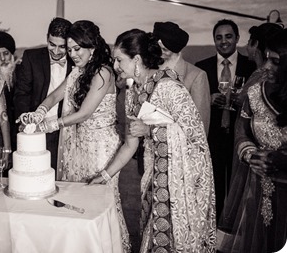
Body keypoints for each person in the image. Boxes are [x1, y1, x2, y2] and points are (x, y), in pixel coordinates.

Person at [90, 29, 216, 252]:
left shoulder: (169, 87)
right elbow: (130, 144)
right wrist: (104, 176)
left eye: (119, 60)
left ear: (136, 60)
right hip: (153, 177)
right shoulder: (132, 93)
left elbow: (195, 137)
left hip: (180, 181)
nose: (116, 66)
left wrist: (151, 130)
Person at [18, 20, 131, 252]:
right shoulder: (76, 72)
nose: (72, 54)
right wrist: (38, 113)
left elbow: (84, 113)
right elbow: (53, 97)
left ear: (92, 47)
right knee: (77, 203)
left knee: (99, 202)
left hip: (100, 149)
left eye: (76, 49)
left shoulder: (104, 73)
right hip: (76, 147)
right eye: (69, 50)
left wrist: (49, 124)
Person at [217, 29, 287, 253]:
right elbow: (241, 131)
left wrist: (281, 160)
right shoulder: (256, 92)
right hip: (257, 188)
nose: (266, 67)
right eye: (266, 58)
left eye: (275, 62)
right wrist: (251, 154)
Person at [195, 19, 256, 219]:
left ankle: (235, 230)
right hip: (213, 136)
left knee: (240, 189)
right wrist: (208, 98)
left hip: (242, 137)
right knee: (214, 187)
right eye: (218, 37)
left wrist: (244, 101)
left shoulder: (251, 66)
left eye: (228, 36)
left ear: (237, 38)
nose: (224, 42)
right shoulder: (201, 68)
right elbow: (194, 105)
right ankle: (215, 230)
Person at [14, 17, 73, 174]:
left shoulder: (77, 61)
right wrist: (25, 119)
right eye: (52, 44)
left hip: (68, 129)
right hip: (37, 130)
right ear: (47, 37)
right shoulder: (31, 57)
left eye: (62, 47)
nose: (55, 51)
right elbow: (22, 94)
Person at [153, 21, 210, 134]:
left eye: (163, 48)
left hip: (180, 148)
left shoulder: (196, 76)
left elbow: (200, 128)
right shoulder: (151, 71)